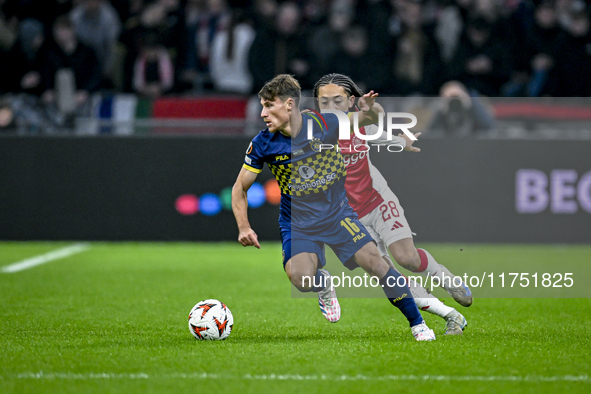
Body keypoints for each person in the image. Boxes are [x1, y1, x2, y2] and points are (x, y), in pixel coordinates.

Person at [231, 74, 436, 341]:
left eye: (269, 105)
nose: (263, 113)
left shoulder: (325, 123)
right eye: (262, 106)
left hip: (337, 215)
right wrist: (244, 227)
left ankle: (419, 325)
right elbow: (239, 188)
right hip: (299, 223)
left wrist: (369, 109)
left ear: (289, 104)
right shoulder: (262, 143)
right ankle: (323, 283)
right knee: (301, 280)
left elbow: (367, 120)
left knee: (377, 264)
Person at [313, 73, 473, 334]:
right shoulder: (313, 134)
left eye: (338, 101)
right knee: (387, 275)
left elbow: (376, 118)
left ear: (352, 102)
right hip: (347, 218)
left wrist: (400, 139)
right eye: (324, 102)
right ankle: (451, 316)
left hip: (376, 201)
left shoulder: (360, 125)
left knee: (406, 258)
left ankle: (445, 278)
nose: (331, 108)